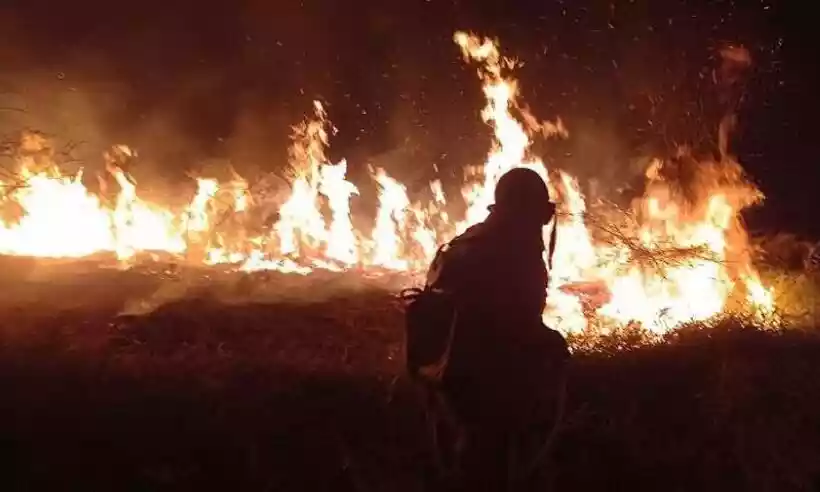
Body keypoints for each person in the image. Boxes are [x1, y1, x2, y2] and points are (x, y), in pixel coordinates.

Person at [422, 167, 570, 491]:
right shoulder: (519, 250)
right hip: (485, 376)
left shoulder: (466, 240)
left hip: (444, 370)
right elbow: (522, 319)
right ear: (533, 211)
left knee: (468, 457)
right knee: (488, 462)